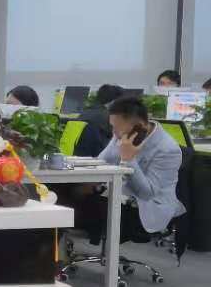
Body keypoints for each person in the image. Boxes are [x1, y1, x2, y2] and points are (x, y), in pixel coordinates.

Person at [77, 94, 186, 246]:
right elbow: (102, 161)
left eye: (116, 128)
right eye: (112, 127)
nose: (114, 133)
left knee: (77, 205)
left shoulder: (168, 150)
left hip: (146, 207)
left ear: (138, 127)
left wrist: (129, 159)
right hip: (119, 195)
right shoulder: (122, 134)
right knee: (66, 193)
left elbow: (147, 193)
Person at [73, 83, 122, 158]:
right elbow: (114, 140)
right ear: (113, 102)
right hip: (96, 157)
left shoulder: (85, 112)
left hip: (76, 156)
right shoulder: (107, 117)